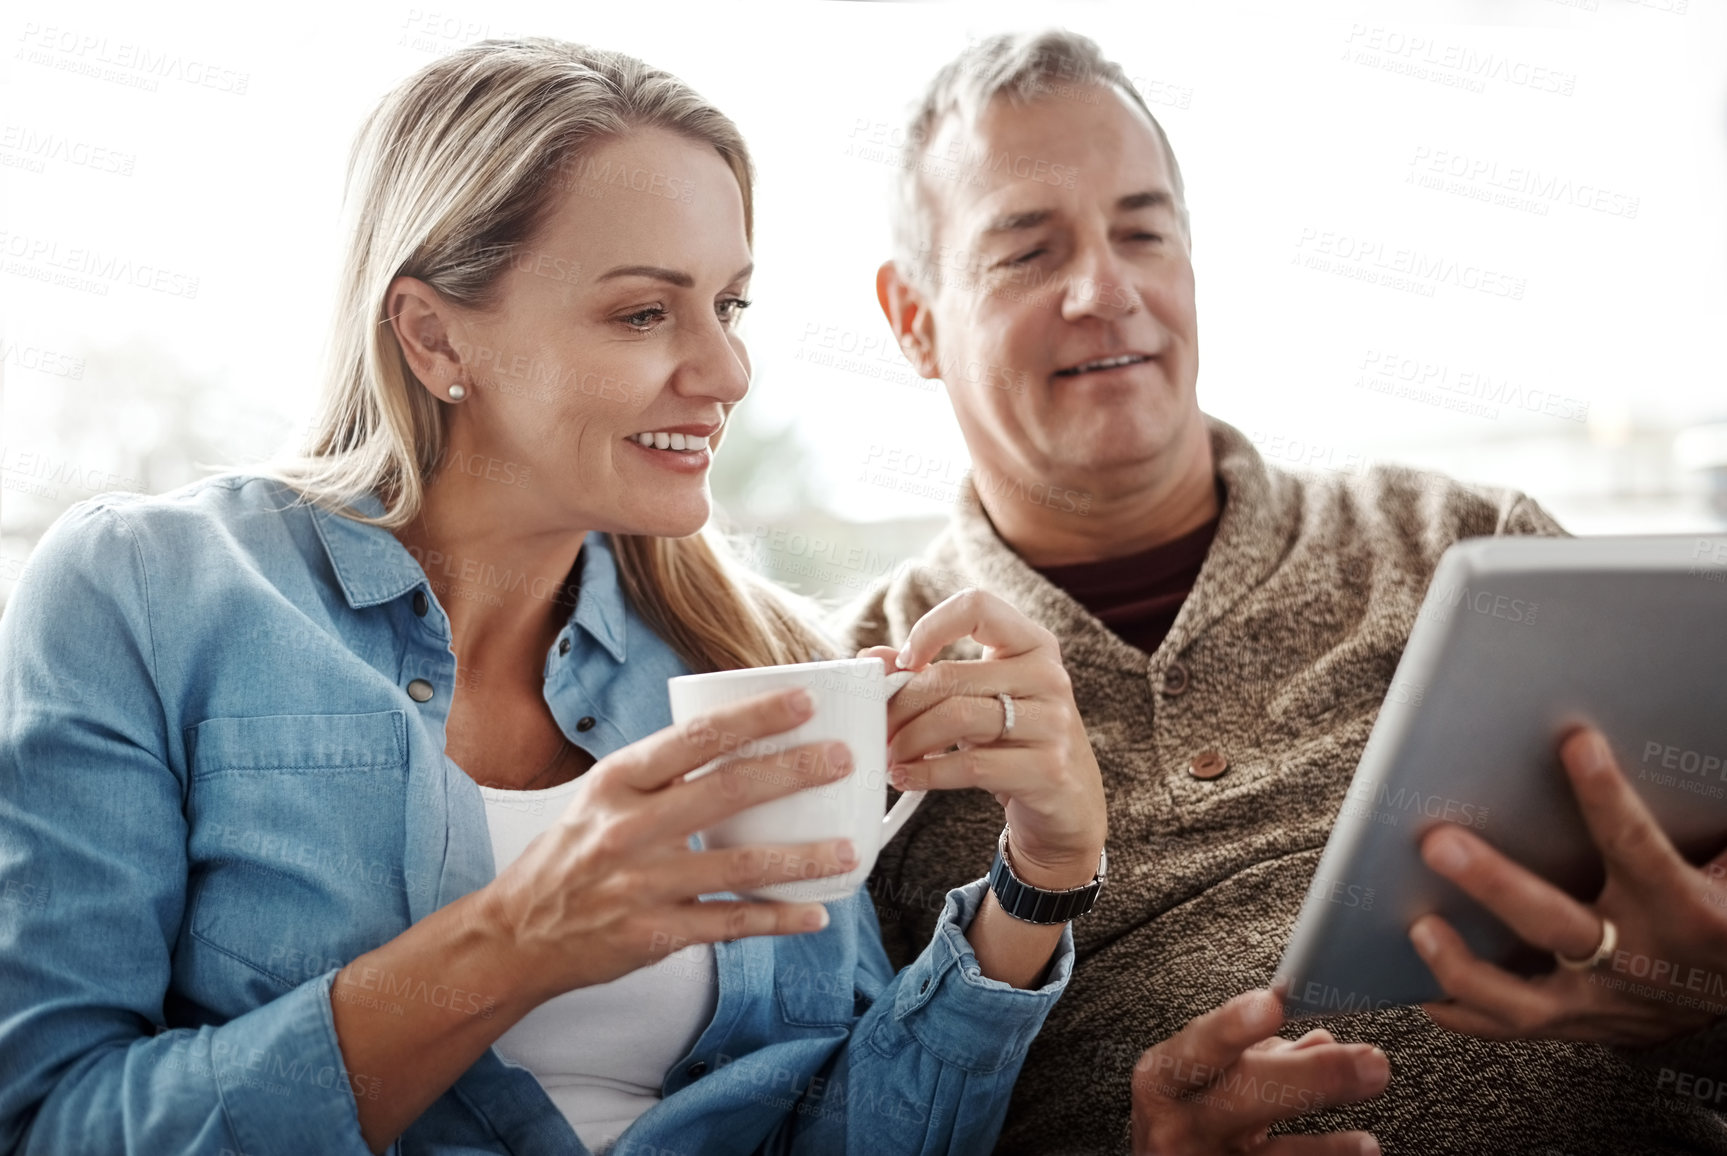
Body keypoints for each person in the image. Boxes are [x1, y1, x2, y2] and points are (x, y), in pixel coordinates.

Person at [0, 38, 1108, 1156]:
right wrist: (514, 943)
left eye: (729, 305)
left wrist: (1037, 885)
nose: (725, 373)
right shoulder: (149, 595)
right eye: (642, 314)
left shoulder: (748, 655)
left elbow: (837, 1139)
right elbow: (49, 1123)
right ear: (434, 333)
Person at [839, 28, 1727, 1156]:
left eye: (1142, 232)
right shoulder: (857, 691)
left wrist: (1688, 1001)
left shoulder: (1468, 545)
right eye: (1026, 250)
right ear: (912, 317)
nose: (1106, 290)